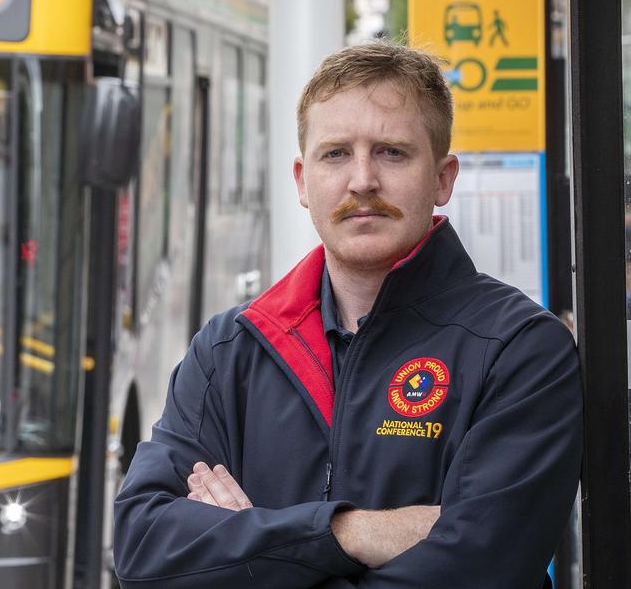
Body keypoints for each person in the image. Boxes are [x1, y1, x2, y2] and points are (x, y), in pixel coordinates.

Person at [113, 42, 581, 588]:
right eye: (335, 154)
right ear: (301, 181)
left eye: (392, 152)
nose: (362, 180)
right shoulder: (229, 351)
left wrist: (248, 550)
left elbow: (478, 570)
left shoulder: (519, 350)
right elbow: (142, 549)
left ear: (443, 178)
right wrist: (344, 533)